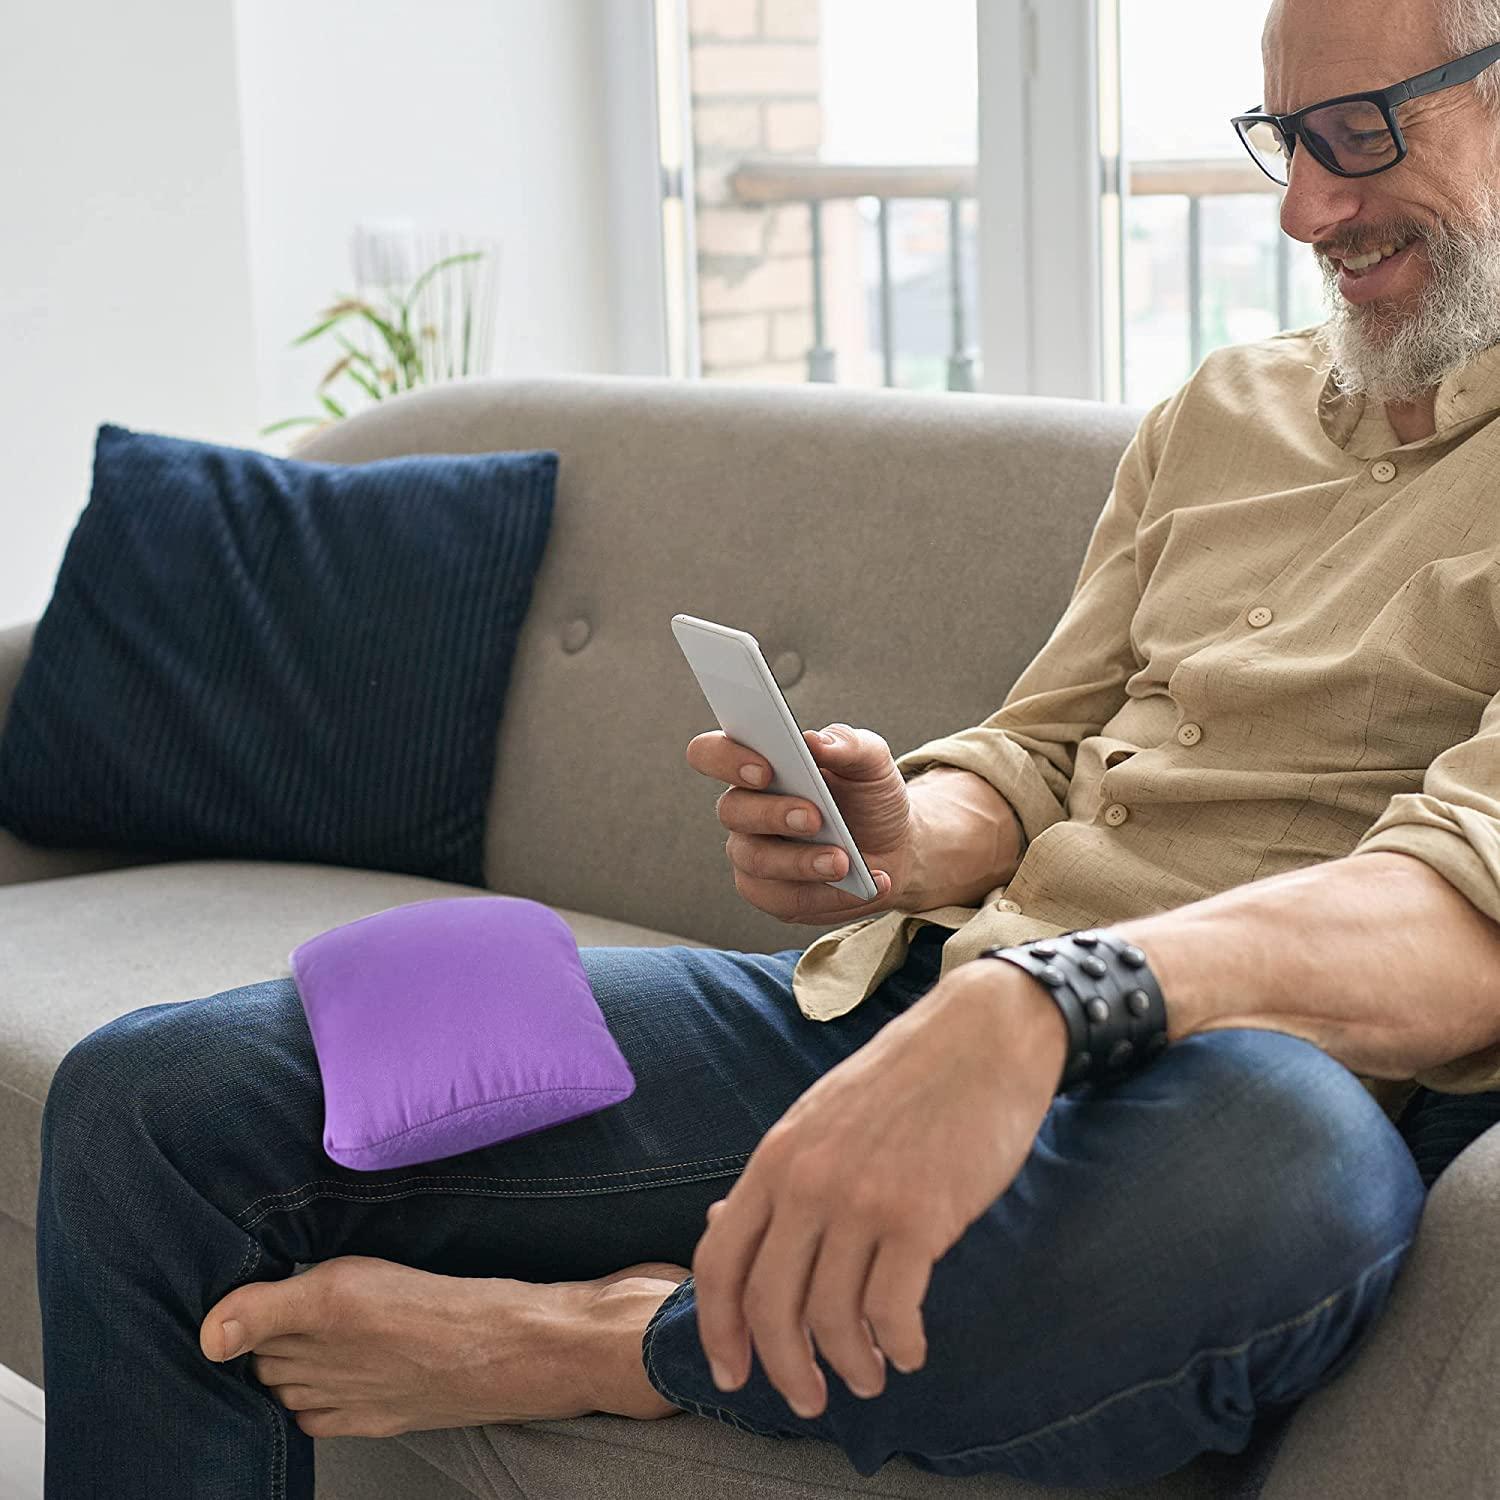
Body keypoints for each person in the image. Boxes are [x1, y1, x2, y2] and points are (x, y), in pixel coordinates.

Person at [35, 0, 1500, 1492]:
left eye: (1358, 134)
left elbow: (1468, 913)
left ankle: (616, 1341)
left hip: (1197, 1104)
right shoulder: (1226, 410)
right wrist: (903, 834)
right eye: (1284, 140)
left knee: (1287, 1176)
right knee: (154, 1101)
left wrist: (1056, 1004)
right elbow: (1047, 748)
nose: (1305, 208)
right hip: (905, 1012)